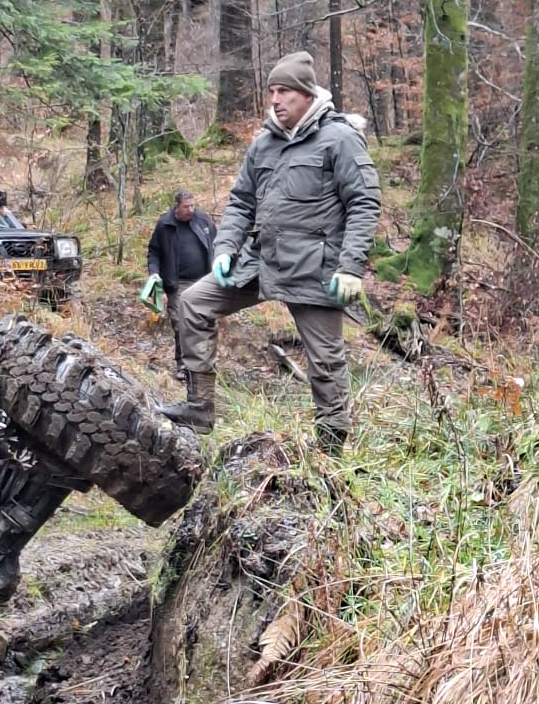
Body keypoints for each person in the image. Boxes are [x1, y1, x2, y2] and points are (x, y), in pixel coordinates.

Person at [175, 51, 379, 453]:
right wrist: (225, 247)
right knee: (194, 303)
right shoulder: (263, 144)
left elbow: (364, 202)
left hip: (316, 269)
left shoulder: (339, 138)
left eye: (284, 91)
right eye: (272, 91)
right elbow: (240, 201)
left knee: (325, 362)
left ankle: (331, 451)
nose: (275, 99)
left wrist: (351, 267)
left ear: (306, 94)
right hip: (262, 262)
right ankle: (199, 407)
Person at [144, 191, 215, 362]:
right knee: (181, 324)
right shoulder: (165, 224)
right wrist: (154, 274)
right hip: (177, 283)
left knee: (206, 322)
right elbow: (154, 252)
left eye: (193, 205)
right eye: (186, 206)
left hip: (204, 280)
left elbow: (217, 243)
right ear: (176, 206)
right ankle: (183, 364)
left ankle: (205, 362)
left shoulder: (203, 219)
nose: (191, 210)